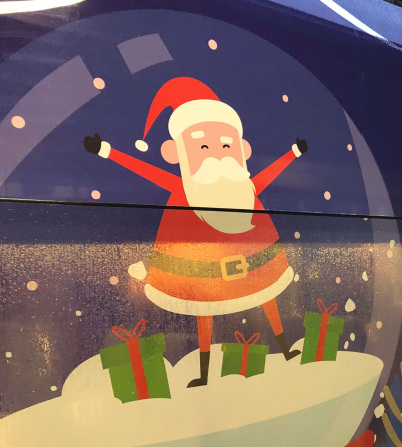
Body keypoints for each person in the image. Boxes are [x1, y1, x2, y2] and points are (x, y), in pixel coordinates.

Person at [84, 77, 307, 387]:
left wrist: (293, 154)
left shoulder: (246, 188)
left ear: (242, 149)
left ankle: (284, 351)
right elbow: (147, 172)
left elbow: (269, 173)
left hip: (255, 264)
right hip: (205, 273)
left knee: (267, 298)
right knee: (204, 311)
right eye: (202, 145)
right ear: (175, 152)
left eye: (225, 144)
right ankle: (204, 373)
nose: (216, 153)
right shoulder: (186, 190)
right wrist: (108, 152)